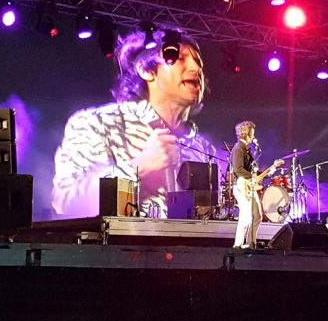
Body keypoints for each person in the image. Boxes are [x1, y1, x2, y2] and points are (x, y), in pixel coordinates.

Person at [52, 28, 215, 218]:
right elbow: (66, 204)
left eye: (198, 62)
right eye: (179, 58)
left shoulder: (203, 149)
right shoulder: (98, 123)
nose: (196, 68)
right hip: (119, 238)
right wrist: (138, 167)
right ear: (146, 70)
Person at [230, 121, 281, 248]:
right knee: (246, 217)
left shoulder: (246, 150)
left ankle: (250, 243)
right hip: (242, 185)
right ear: (245, 134)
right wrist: (253, 177)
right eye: (252, 133)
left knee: (257, 215)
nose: (253, 136)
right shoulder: (238, 149)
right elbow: (238, 170)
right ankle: (237, 245)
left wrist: (272, 168)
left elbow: (255, 173)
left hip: (249, 185)